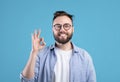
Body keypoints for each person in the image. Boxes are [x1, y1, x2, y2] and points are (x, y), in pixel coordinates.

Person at [20, 11, 96, 82]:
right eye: (58, 26)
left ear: (73, 29)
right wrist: (34, 52)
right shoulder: (41, 55)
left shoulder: (85, 57)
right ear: (53, 29)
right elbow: (26, 81)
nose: (62, 29)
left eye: (66, 26)